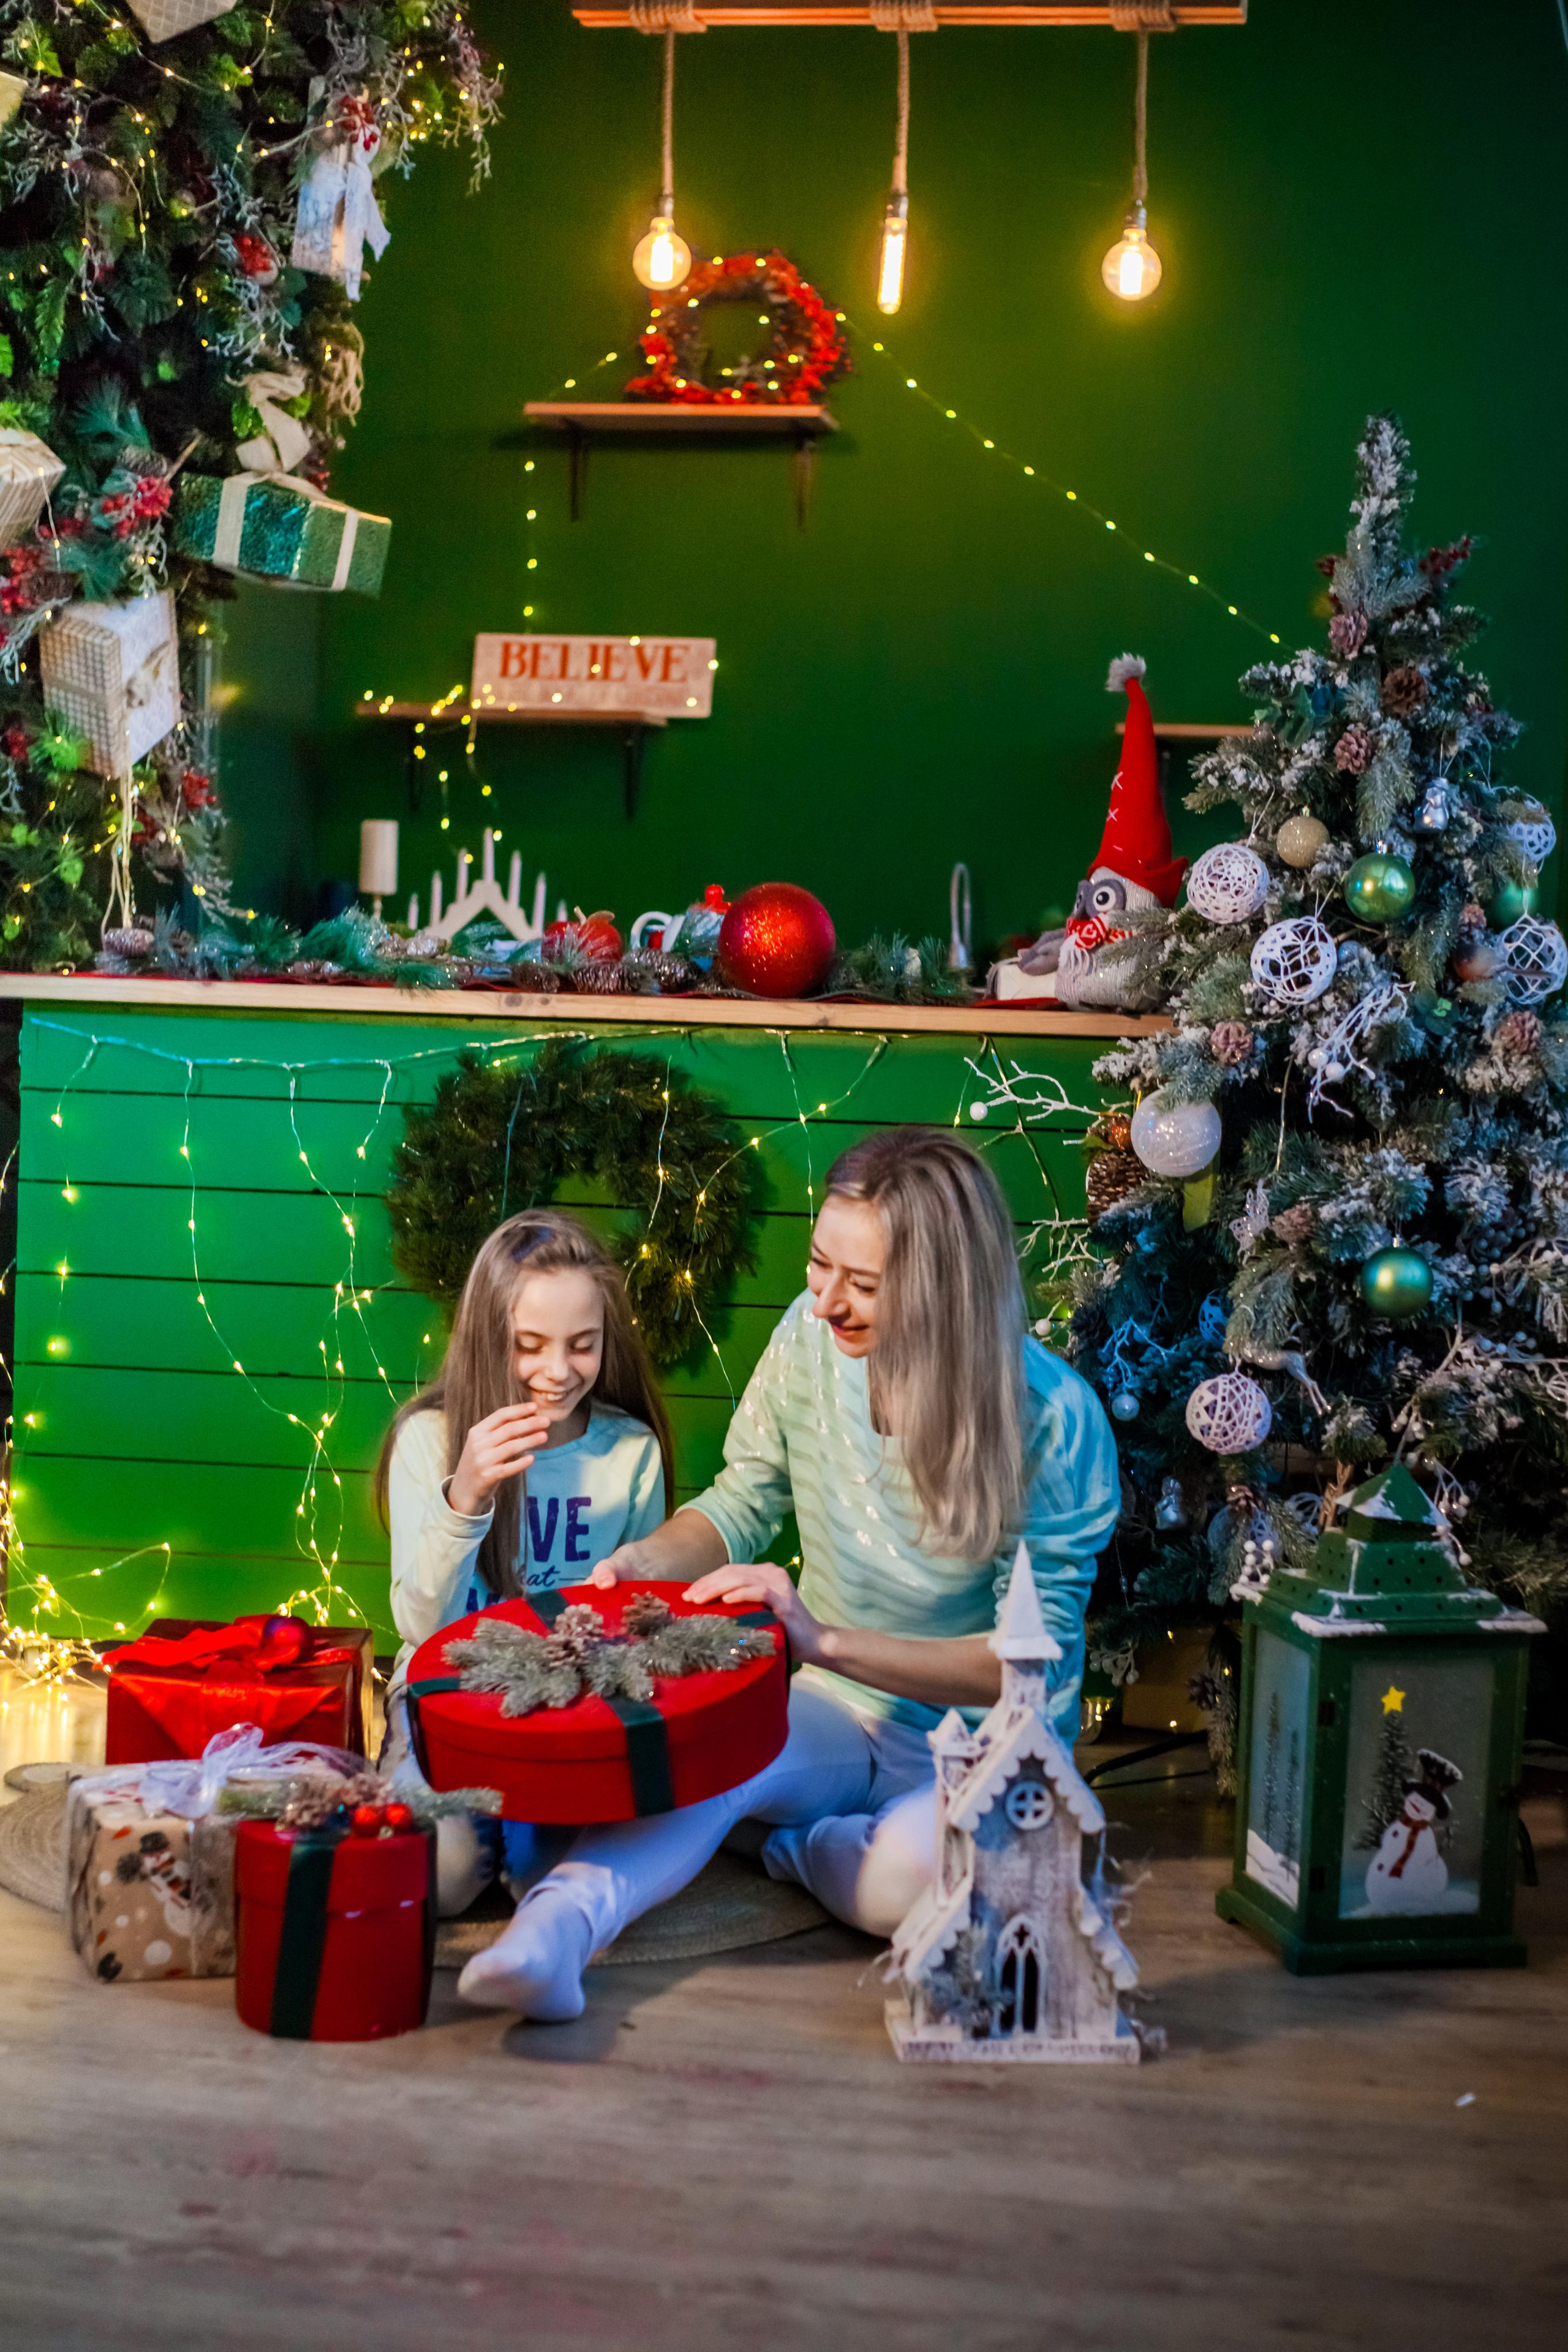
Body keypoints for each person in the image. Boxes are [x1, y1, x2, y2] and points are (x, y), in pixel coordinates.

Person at [455, 1128, 1120, 2019]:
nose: (826, 1301)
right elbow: (742, 1501)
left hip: (984, 1749)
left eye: (865, 1286)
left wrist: (823, 1639)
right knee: (711, 1757)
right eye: (819, 1265)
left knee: (907, 1882)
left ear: (941, 1292)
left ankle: (785, 1848)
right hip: (840, 1716)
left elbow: (1023, 1667)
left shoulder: (1054, 1421)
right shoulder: (808, 1344)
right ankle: (553, 1934)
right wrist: (647, 1561)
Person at [376, 1210, 673, 1913]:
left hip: (572, 1706)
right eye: (529, 1345)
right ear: (490, 1338)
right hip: (447, 1697)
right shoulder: (429, 1439)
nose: (557, 1372)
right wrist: (466, 1494)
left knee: (550, 1878)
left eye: (583, 1345)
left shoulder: (629, 1451)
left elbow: (639, 1623)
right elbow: (422, 1622)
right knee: (439, 1881)